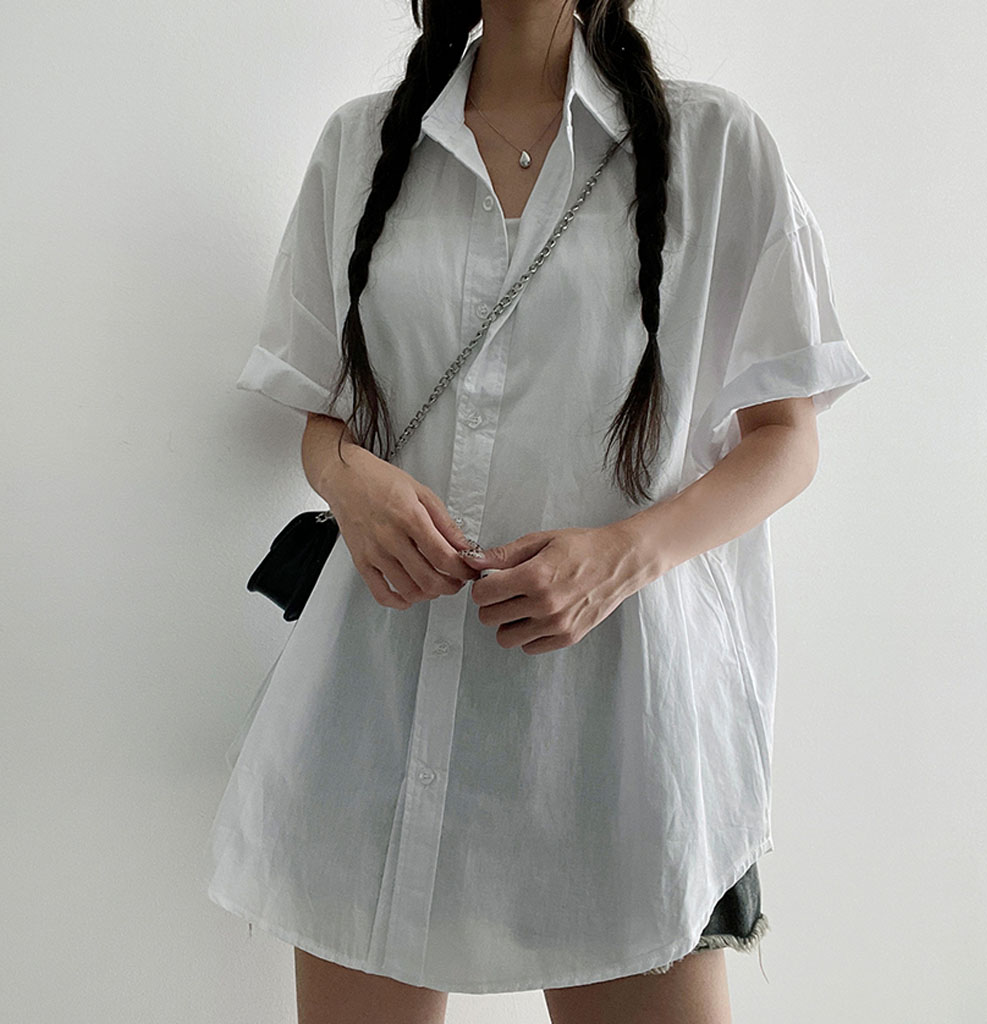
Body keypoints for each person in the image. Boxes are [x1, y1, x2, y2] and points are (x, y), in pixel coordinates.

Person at [204, 2, 871, 1022]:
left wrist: (623, 555)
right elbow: (320, 421)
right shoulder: (359, 145)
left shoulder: (713, 144)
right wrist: (353, 485)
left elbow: (786, 438)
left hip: (616, 733)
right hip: (378, 712)